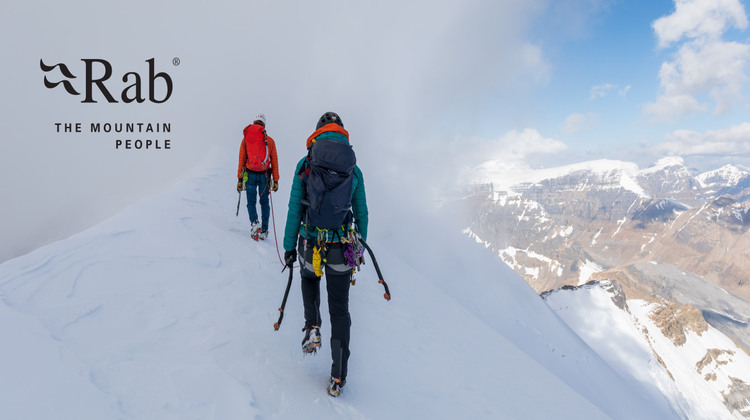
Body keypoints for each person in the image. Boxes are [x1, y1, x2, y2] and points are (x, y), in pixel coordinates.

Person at [282, 112, 368, 397]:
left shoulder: (305, 164)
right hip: (341, 247)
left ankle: (312, 325)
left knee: (308, 279)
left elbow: (295, 208)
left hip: (310, 242)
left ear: (318, 133)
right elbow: (362, 213)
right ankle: (337, 377)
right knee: (340, 310)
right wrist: (358, 247)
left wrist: (289, 246)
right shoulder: (353, 169)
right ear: (342, 133)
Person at [237, 113, 279, 240]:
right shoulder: (270, 141)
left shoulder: (246, 139)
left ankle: (255, 224)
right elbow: (275, 161)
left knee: (251, 201)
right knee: (264, 202)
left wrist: (239, 179)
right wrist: (276, 180)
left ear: (254, 122)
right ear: (264, 125)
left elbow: (241, 159)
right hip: (264, 175)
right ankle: (265, 229)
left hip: (249, 173)